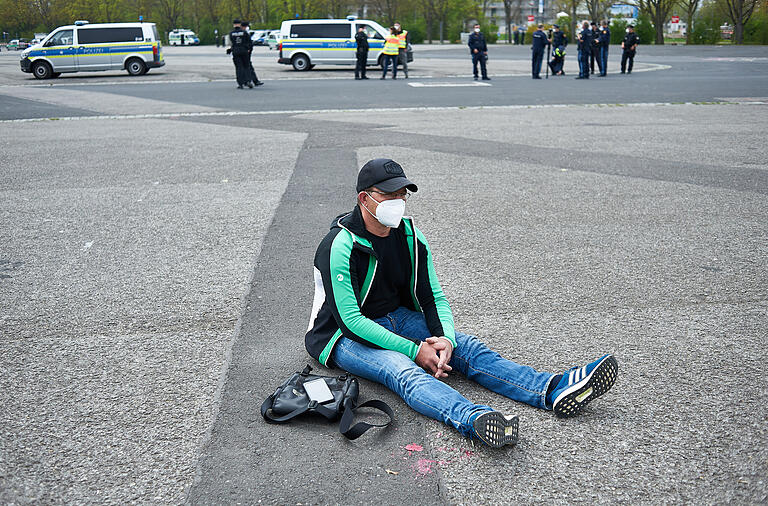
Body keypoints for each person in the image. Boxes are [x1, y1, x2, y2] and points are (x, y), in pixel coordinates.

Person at [304, 158, 619, 448]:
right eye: (388, 195)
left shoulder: (411, 236)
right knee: (403, 370)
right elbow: (351, 321)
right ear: (364, 199)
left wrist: (444, 340)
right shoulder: (339, 244)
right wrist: (415, 350)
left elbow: (432, 296)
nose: (397, 203)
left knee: (468, 347)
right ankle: (474, 420)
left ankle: (552, 389)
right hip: (343, 337)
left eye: (402, 194)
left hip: (396, 316)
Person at [227, 19, 251, 89]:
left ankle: (240, 83)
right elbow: (249, 41)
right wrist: (248, 48)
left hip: (236, 51)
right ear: (240, 24)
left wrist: (230, 50)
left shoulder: (231, 33)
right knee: (246, 66)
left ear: (234, 25)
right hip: (244, 51)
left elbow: (232, 43)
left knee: (238, 67)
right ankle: (248, 81)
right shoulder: (244, 32)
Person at [240, 21, 263, 87]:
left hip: (245, 52)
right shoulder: (243, 33)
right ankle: (251, 81)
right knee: (247, 67)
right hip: (245, 52)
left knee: (247, 67)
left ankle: (251, 81)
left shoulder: (243, 33)